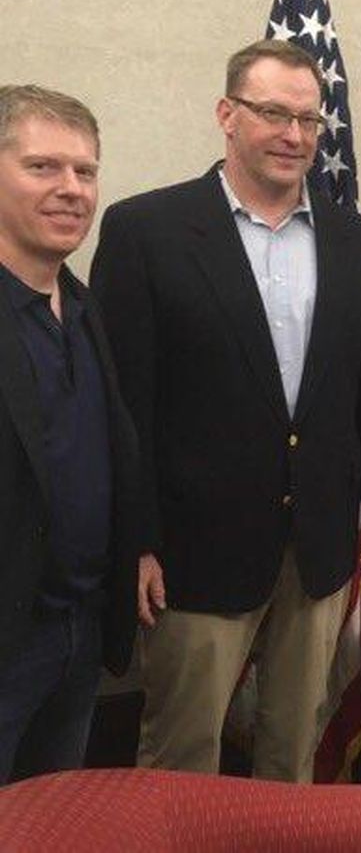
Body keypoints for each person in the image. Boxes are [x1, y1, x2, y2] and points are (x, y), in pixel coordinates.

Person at [89, 39, 361, 782]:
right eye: (272, 113)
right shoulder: (146, 231)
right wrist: (133, 540)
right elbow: (120, 403)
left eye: (308, 119)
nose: (294, 135)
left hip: (320, 544)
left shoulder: (359, 242)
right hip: (195, 551)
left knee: (292, 756)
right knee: (180, 758)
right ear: (227, 115)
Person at [0, 85, 140, 782]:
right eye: (43, 167)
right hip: (8, 640)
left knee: (53, 821)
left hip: (80, 632)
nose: (71, 190)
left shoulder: (86, 310)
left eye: (84, 171)